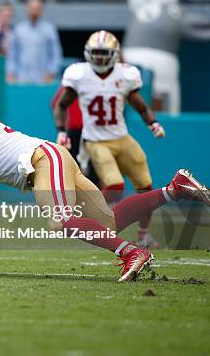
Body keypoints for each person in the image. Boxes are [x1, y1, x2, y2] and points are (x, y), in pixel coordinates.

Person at [0, 97, 209, 282]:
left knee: (60, 221)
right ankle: (174, 189)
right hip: (51, 158)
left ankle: (131, 253)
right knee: (109, 222)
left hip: (44, 160)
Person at [54, 31, 165, 247]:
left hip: (121, 138)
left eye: (104, 53)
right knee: (115, 185)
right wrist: (61, 130)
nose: (100, 58)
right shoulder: (79, 74)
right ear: (88, 53)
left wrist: (153, 123)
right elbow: (61, 105)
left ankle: (144, 235)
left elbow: (141, 106)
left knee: (146, 186)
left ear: (114, 54)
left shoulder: (125, 75)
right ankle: (92, 223)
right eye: (96, 53)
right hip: (95, 140)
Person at [6, 0, 62, 84]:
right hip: (21, 79)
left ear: (41, 11)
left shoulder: (49, 29)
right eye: (31, 9)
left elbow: (55, 53)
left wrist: (51, 73)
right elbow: (12, 54)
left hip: (43, 79)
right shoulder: (18, 29)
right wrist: (11, 72)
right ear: (26, 10)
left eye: (36, 9)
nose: (34, 12)